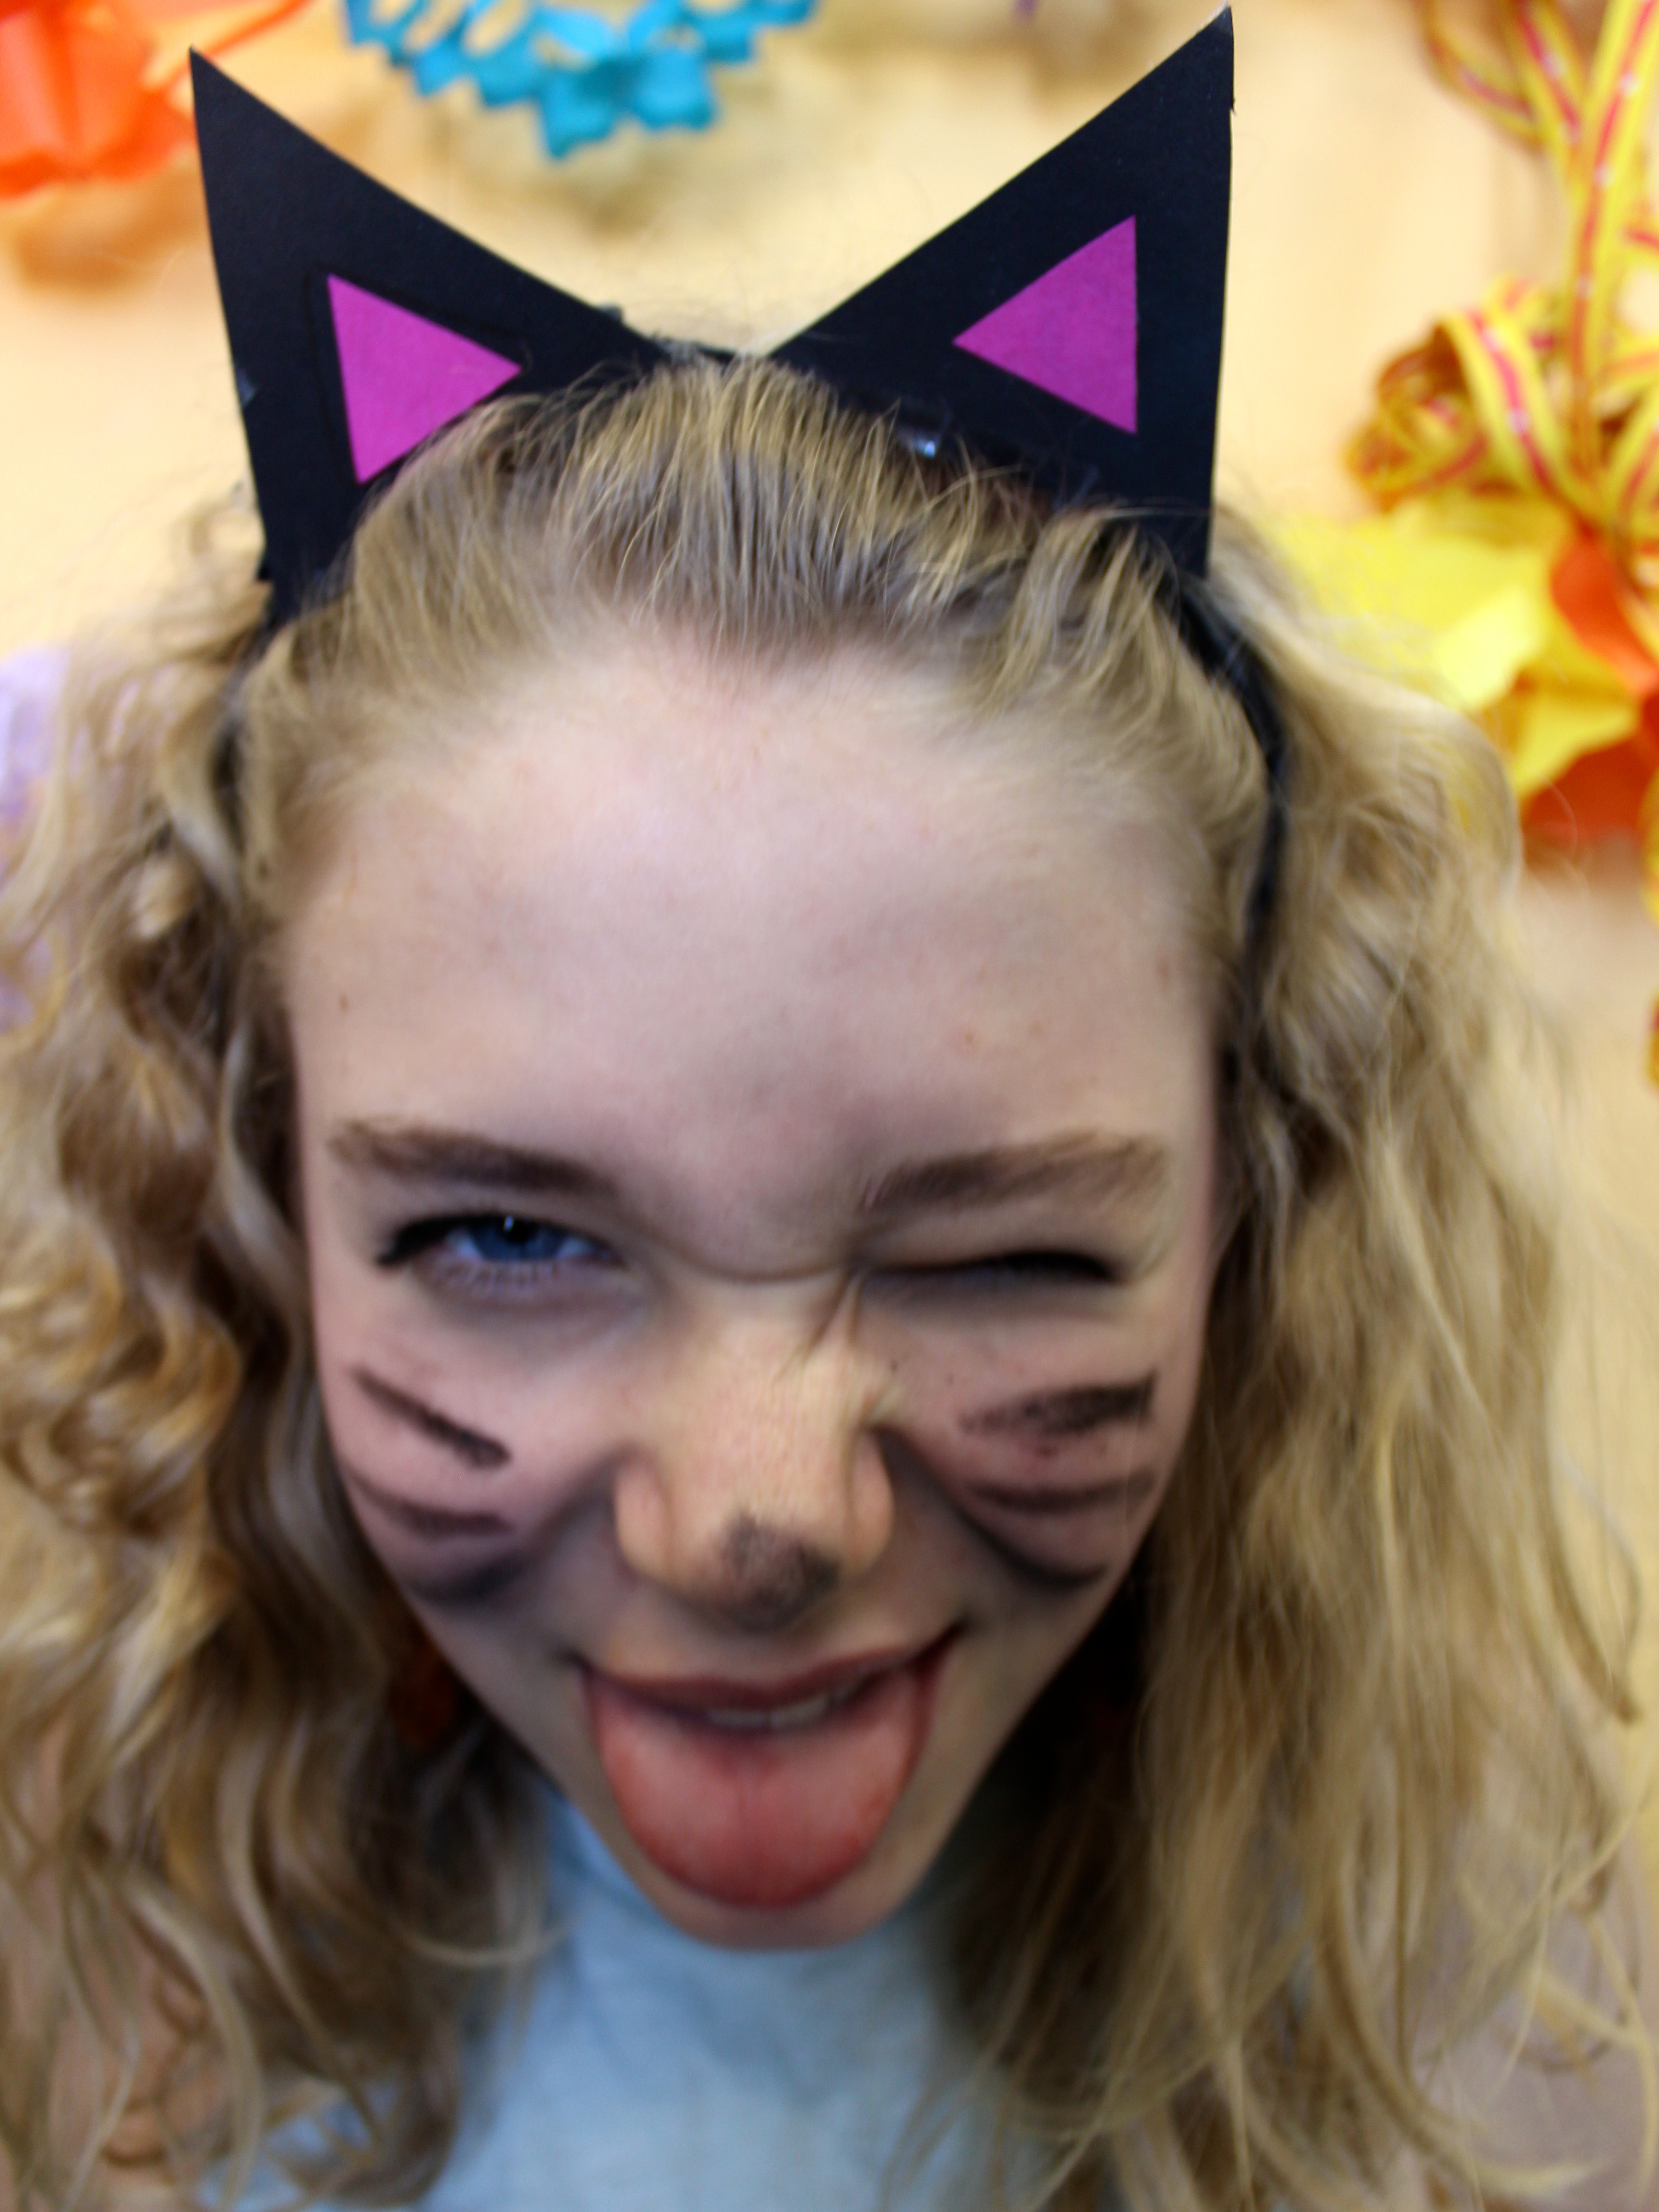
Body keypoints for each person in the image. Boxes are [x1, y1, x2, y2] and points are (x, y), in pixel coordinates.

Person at [2, 24, 1658, 2212]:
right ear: (254, 1208)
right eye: (508, 1237)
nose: (757, 1523)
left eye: (1006, 1255)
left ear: (1261, 1214)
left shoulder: (1505, 2037)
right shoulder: (90, 2004)